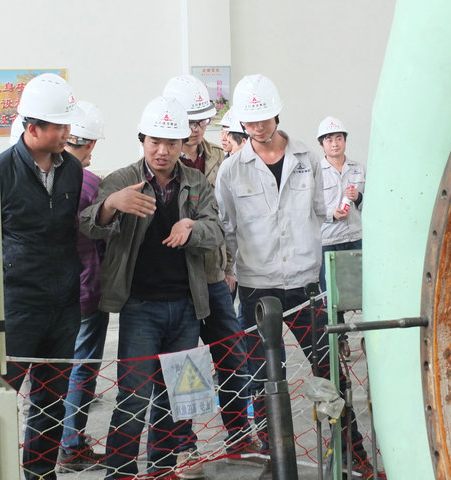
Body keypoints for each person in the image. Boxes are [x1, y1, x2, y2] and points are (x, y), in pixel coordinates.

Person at [215, 74, 370, 480]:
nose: (257, 127)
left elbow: (318, 211)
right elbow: (227, 228)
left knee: (330, 370)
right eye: (249, 121)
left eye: (263, 118)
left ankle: (353, 452)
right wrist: (230, 273)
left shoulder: (306, 159)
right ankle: (274, 460)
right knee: (265, 377)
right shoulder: (231, 171)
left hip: (305, 285)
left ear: (277, 113)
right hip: (256, 288)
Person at [79, 96, 224, 480]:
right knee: (133, 395)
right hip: (140, 307)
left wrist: (192, 228)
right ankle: (121, 472)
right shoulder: (120, 181)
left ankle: (163, 469)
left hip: (187, 306)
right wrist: (112, 204)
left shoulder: (194, 182)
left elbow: (215, 232)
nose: (162, 151)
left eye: (171, 143)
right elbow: (89, 225)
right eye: (155, 141)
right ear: (142, 139)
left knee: (178, 397)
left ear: (181, 144)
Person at [157, 74, 262, 480]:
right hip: (177, 282)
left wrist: (230, 267)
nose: (198, 128)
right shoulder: (161, 162)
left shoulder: (223, 159)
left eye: (202, 120)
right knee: (184, 364)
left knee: (232, 356)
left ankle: (239, 434)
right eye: (190, 121)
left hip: (216, 275)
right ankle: (184, 443)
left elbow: (233, 220)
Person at [0, 72, 83, 480]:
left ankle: (40, 473)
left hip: (63, 305)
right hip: (18, 305)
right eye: (59, 126)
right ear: (32, 128)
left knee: (51, 402)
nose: (68, 133)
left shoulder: (72, 170)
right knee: (2, 397)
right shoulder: (0, 171)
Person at [57, 101, 109, 471]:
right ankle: (71, 444)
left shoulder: (44, 178)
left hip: (52, 295)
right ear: (89, 144)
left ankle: (52, 441)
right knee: (83, 367)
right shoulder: (90, 184)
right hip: (87, 292)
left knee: (54, 370)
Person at [317, 116, 366, 359]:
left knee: (363, 290)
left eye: (338, 138)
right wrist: (332, 214)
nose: (334, 143)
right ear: (322, 144)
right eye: (329, 140)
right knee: (332, 294)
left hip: (356, 238)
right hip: (329, 241)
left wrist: (358, 198)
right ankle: (340, 339)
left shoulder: (358, 169)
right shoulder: (316, 172)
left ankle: (369, 335)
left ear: (345, 141)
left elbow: (371, 202)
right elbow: (311, 208)